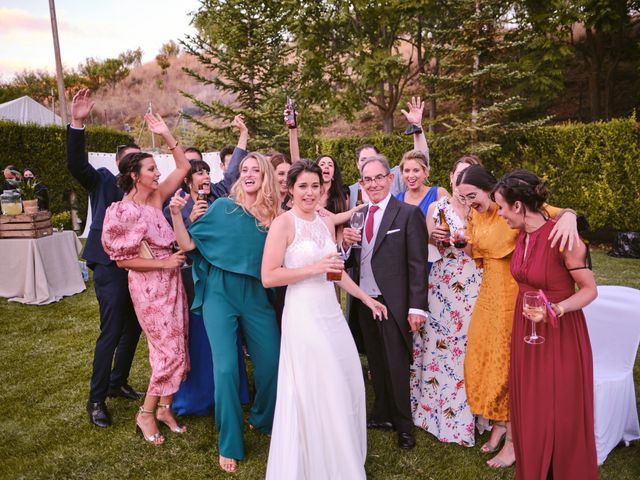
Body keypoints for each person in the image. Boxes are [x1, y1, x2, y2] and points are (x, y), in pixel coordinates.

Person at [262, 160, 387, 479]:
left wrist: (364, 297)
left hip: (330, 313)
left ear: (323, 189)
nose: (309, 192)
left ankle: (338, 455)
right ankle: (315, 462)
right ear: (290, 189)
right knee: (319, 383)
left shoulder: (323, 221)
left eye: (314, 186)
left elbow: (335, 271)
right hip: (303, 313)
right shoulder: (283, 224)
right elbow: (269, 276)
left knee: (346, 379)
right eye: (302, 186)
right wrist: (313, 269)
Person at [454, 164, 580, 468]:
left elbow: (558, 211)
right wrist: (463, 244)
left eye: (472, 195)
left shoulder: (511, 205)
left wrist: (572, 216)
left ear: (488, 188)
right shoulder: (476, 215)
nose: (469, 202)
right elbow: (478, 256)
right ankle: (499, 425)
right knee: (482, 362)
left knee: (507, 368)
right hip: (488, 296)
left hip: (516, 294)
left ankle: (513, 442)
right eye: (463, 198)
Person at [169, 152, 280, 473]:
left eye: (255, 170)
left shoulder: (273, 217)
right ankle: (229, 442)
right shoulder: (221, 207)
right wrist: (178, 216)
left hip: (257, 296)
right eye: (244, 169)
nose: (248, 174)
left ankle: (261, 419)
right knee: (227, 369)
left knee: (272, 364)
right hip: (219, 293)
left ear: (265, 177)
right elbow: (188, 245)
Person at [492, 170, 598, 479]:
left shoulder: (563, 239)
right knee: (532, 405)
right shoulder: (522, 234)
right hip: (526, 328)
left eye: (501, 207)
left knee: (560, 408)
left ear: (518, 206)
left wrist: (556, 309)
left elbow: (590, 290)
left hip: (560, 331)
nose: (499, 214)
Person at [101, 110, 191, 445]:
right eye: (152, 169)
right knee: (165, 351)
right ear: (136, 176)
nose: (158, 173)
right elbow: (123, 261)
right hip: (149, 287)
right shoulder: (122, 212)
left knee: (178, 346)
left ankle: (166, 408)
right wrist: (164, 265)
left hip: (172, 284)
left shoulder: (155, 198)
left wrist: (167, 134)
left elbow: (182, 168)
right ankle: (145, 413)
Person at [162, 119, 251, 416]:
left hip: (224, 279)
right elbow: (177, 244)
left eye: (207, 172)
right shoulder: (177, 205)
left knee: (227, 338)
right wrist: (192, 222)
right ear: (188, 181)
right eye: (198, 174)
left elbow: (235, 167)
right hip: (192, 279)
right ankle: (199, 396)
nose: (205, 178)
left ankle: (234, 391)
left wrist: (243, 134)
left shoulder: (220, 194)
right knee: (199, 338)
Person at [67, 88, 143, 428]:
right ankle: (96, 401)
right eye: (131, 161)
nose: (136, 167)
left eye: (140, 162)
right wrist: (77, 124)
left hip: (139, 267)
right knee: (110, 331)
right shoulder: (102, 180)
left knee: (133, 328)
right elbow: (76, 164)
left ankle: (117, 382)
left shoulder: (146, 191)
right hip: (110, 267)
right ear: (119, 164)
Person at [342, 155, 429, 450]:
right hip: (366, 302)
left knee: (396, 364)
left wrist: (417, 307)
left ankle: (405, 426)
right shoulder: (359, 214)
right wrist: (345, 245)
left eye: (379, 177)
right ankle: (382, 415)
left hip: (393, 302)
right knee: (376, 361)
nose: (374, 184)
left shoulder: (407, 214)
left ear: (391, 179)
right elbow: (355, 260)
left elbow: (417, 264)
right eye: (367, 180)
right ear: (362, 184)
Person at [410, 155, 482, 446]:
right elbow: (427, 242)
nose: (462, 180)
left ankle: (469, 415)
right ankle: (431, 412)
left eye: (469, 175)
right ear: (451, 177)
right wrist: (435, 236)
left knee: (466, 345)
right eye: (459, 174)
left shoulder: (483, 210)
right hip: (441, 280)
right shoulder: (437, 206)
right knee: (438, 345)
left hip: (473, 280)